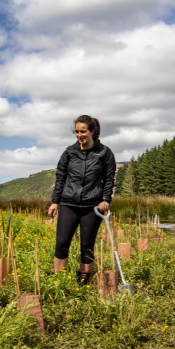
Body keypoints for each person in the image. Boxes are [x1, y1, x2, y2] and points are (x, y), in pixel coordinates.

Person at [47, 115, 116, 284]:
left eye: (83, 131)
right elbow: (60, 177)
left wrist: (106, 199)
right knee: (62, 242)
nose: (79, 135)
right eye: (77, 132)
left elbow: (109, 178)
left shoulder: (104, 152)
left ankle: (83, 281)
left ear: (92, 131)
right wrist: (55, 201)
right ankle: (59, 279)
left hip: (92, 206)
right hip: (68, 203)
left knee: (87, 245)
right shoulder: (69, 152)